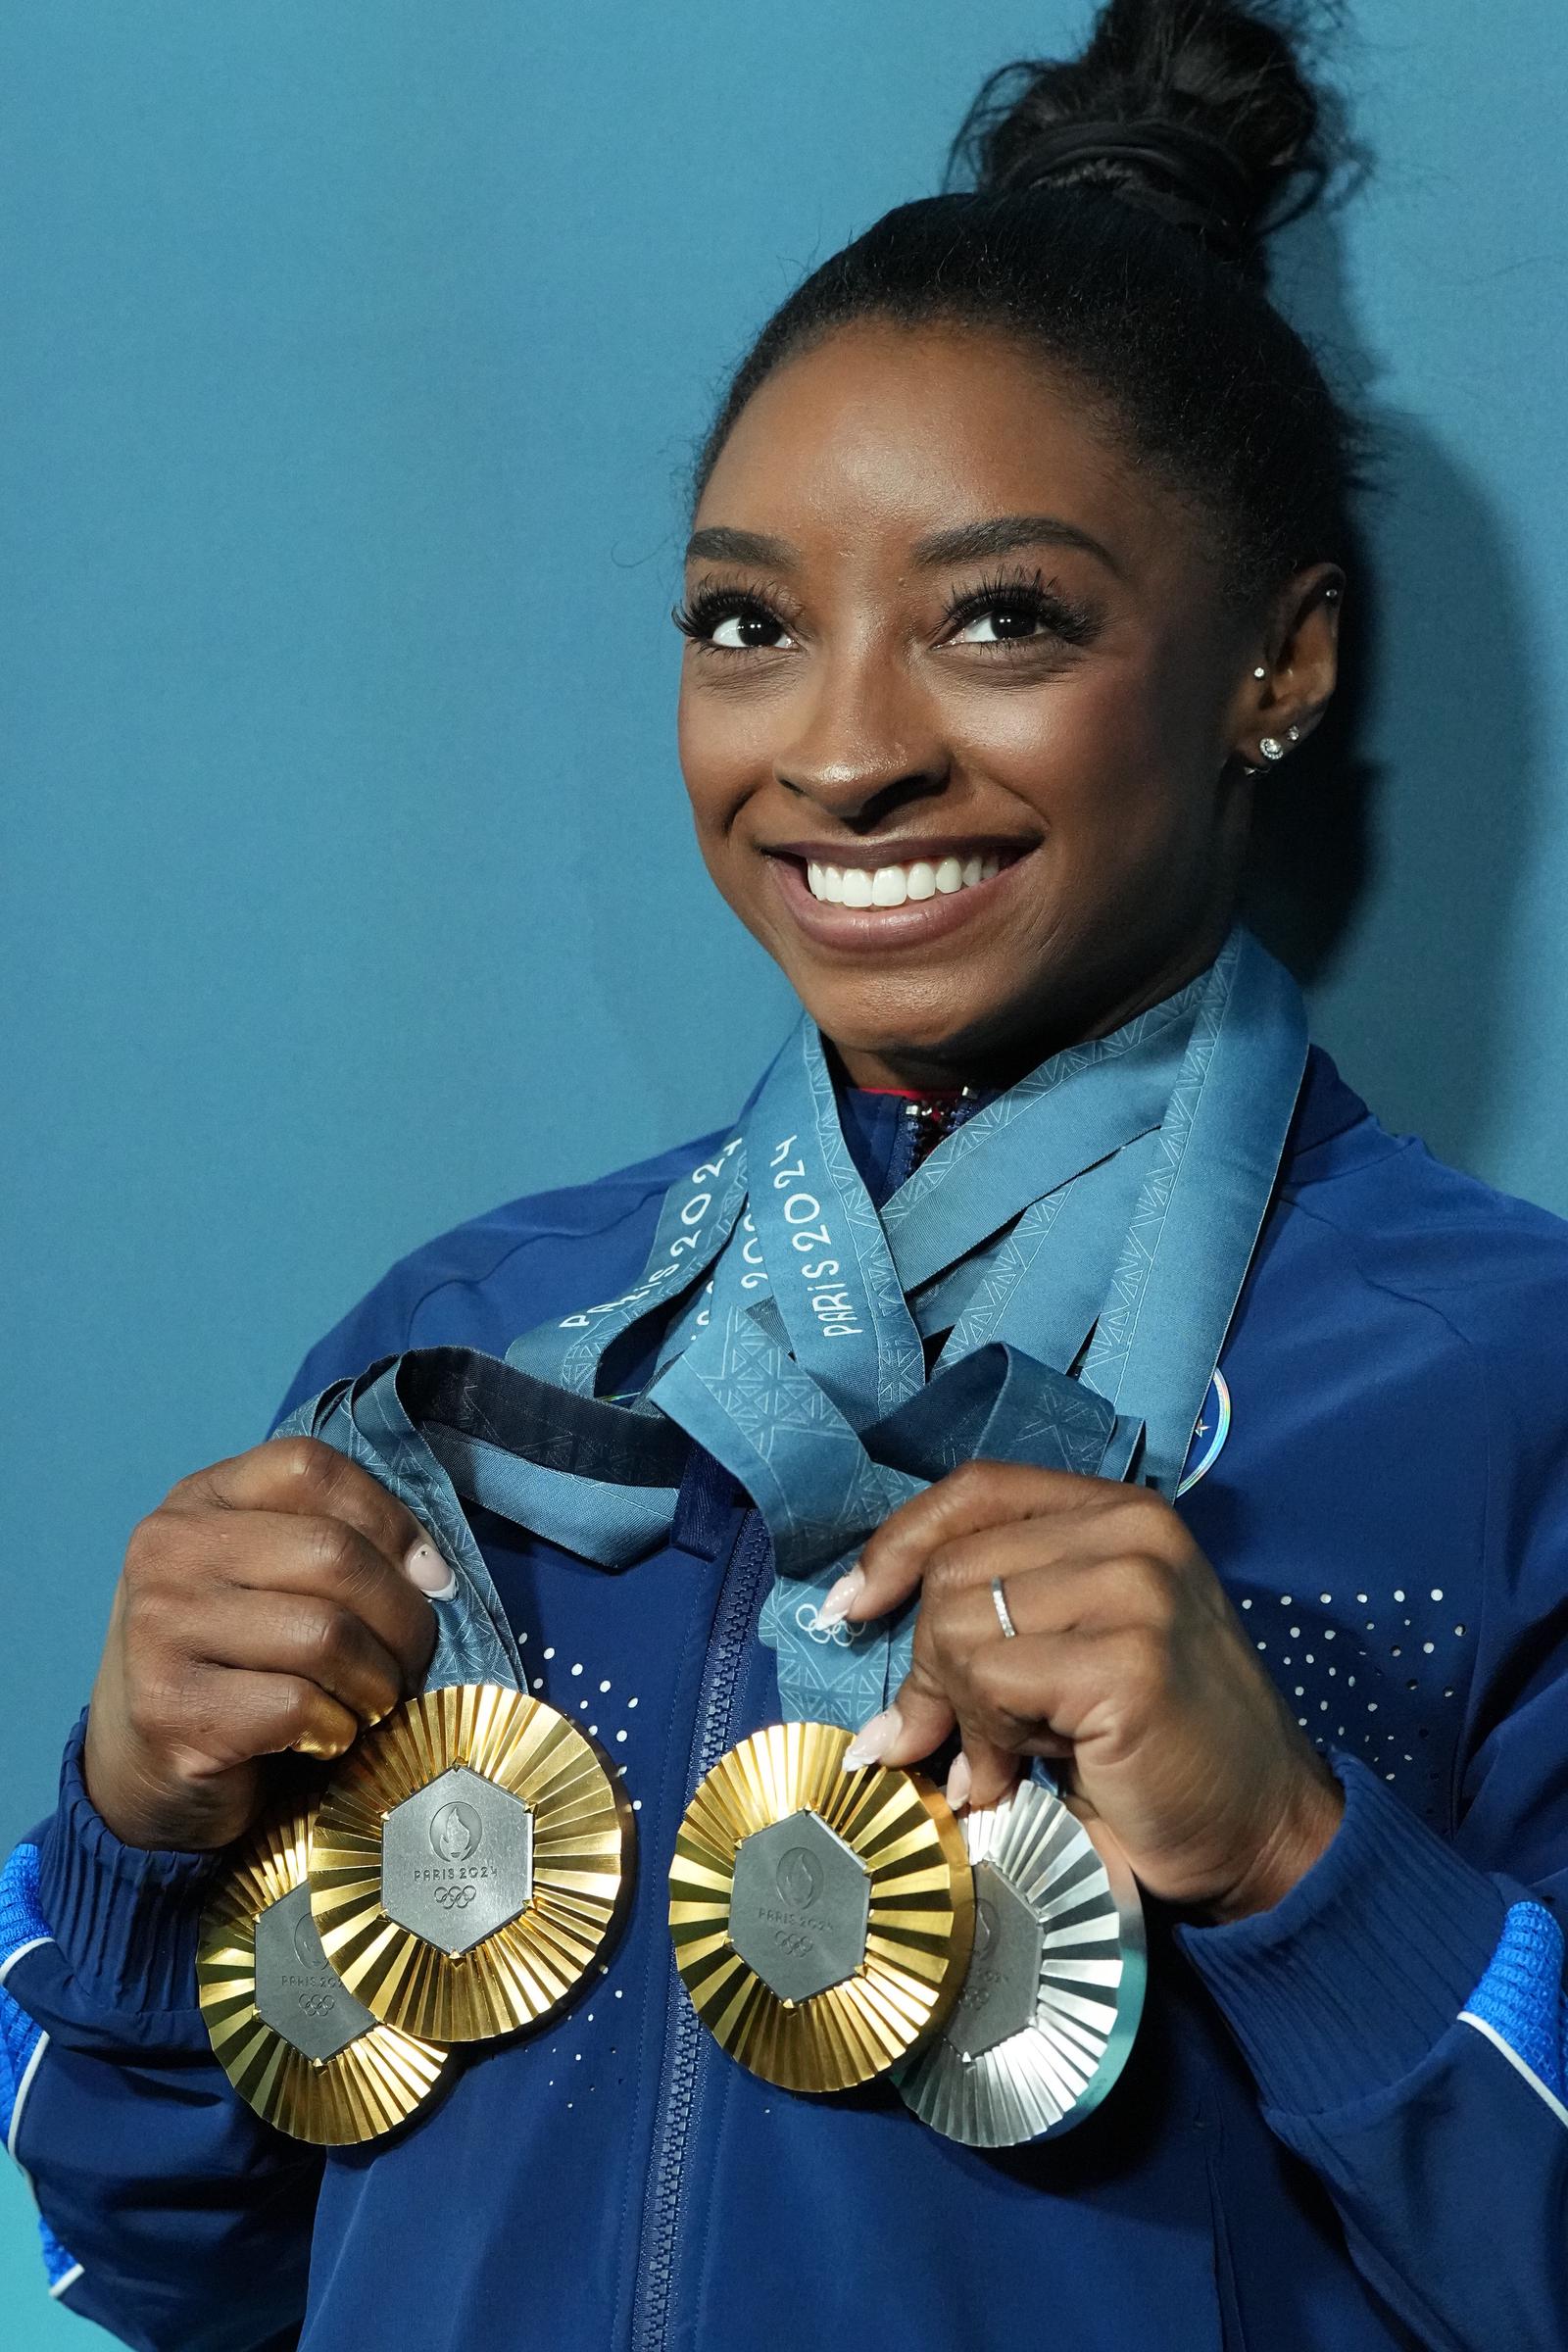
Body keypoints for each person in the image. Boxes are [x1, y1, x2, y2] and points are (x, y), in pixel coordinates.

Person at [4, 3, 1566, 2346]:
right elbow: (164, 2257)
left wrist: (1289, 1861)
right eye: (749, 622)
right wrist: (127, 1839)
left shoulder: (1500, 1386)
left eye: (999, 620)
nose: (839, 748)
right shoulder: (465, 1364)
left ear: (1276, 665)